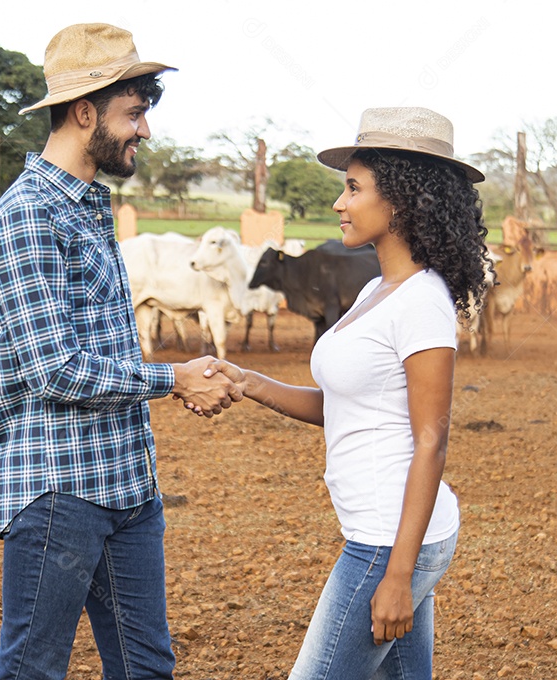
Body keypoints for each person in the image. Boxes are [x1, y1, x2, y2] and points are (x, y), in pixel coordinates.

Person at [0, 23, 241, 680]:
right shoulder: (30, 215)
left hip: (126, 482)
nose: (144, 131)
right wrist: (174, 378)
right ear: (86, 111)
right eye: (134, 113)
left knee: (146, 668)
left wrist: (174, 380)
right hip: (59, 492)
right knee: (32, 669)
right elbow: (52, 369)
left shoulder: (90, 207)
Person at [205, 107, 490, 679]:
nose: (339, 203)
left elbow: (432, 439)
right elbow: (346, 407)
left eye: (354, 188)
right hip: (394, 532)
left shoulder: (422, 302)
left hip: (388, 542)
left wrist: (400, 574)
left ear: (403, 201)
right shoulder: (375, 290)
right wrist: (251, 382)